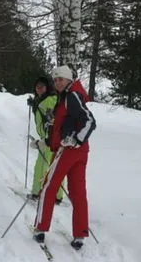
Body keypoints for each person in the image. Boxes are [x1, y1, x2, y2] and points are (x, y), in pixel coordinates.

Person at [32, 65, 96, 250]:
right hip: (79, 152)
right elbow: (63, 126)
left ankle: (40, 228)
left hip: (69, 151)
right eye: (55, 79)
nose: (57, 82)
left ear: (68, 80)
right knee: (77, 193)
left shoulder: (71, 96)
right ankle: (79, 235)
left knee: (48, 187)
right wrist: (45, 143)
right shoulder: (68, 96)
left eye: (60, 79)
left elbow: (90, 121)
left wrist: (75, 140)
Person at [27, 76, 64, 204]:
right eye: (37, 87)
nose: (39, 89)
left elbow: (53, 117)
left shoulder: (50, 99)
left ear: (47, 87)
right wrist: (34, 105)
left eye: (42, 86)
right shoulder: (44, 99)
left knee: (42, 166)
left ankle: (37, 193)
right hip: (52, 139)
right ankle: (57, 196)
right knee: (55, 167)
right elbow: (42, 117)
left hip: (50, 139)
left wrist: (49, 135)